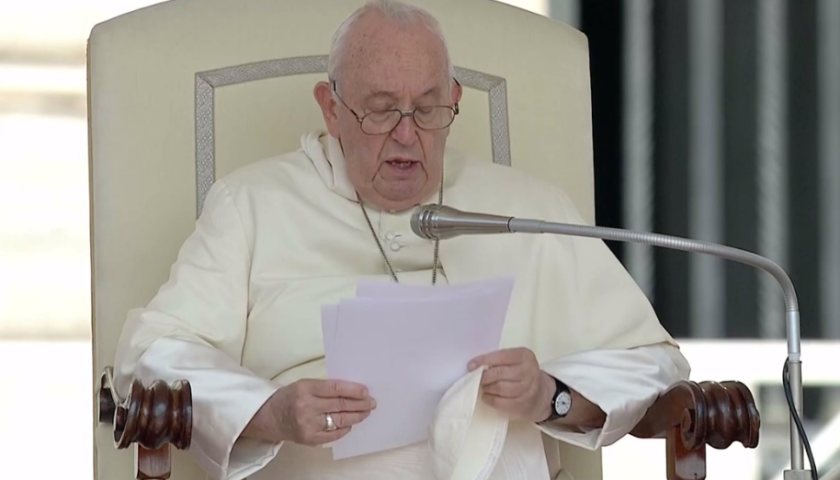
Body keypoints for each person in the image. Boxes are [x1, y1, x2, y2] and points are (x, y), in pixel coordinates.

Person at [113, 1, 690, 479]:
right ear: (331, 109)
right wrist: (270, 411)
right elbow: (153, 355)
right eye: (382, 111)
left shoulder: (531, 212)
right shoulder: (252, 207)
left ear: (455, 101)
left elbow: (653, 363)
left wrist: (552, 396)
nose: (408, 136)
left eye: (430, 109)